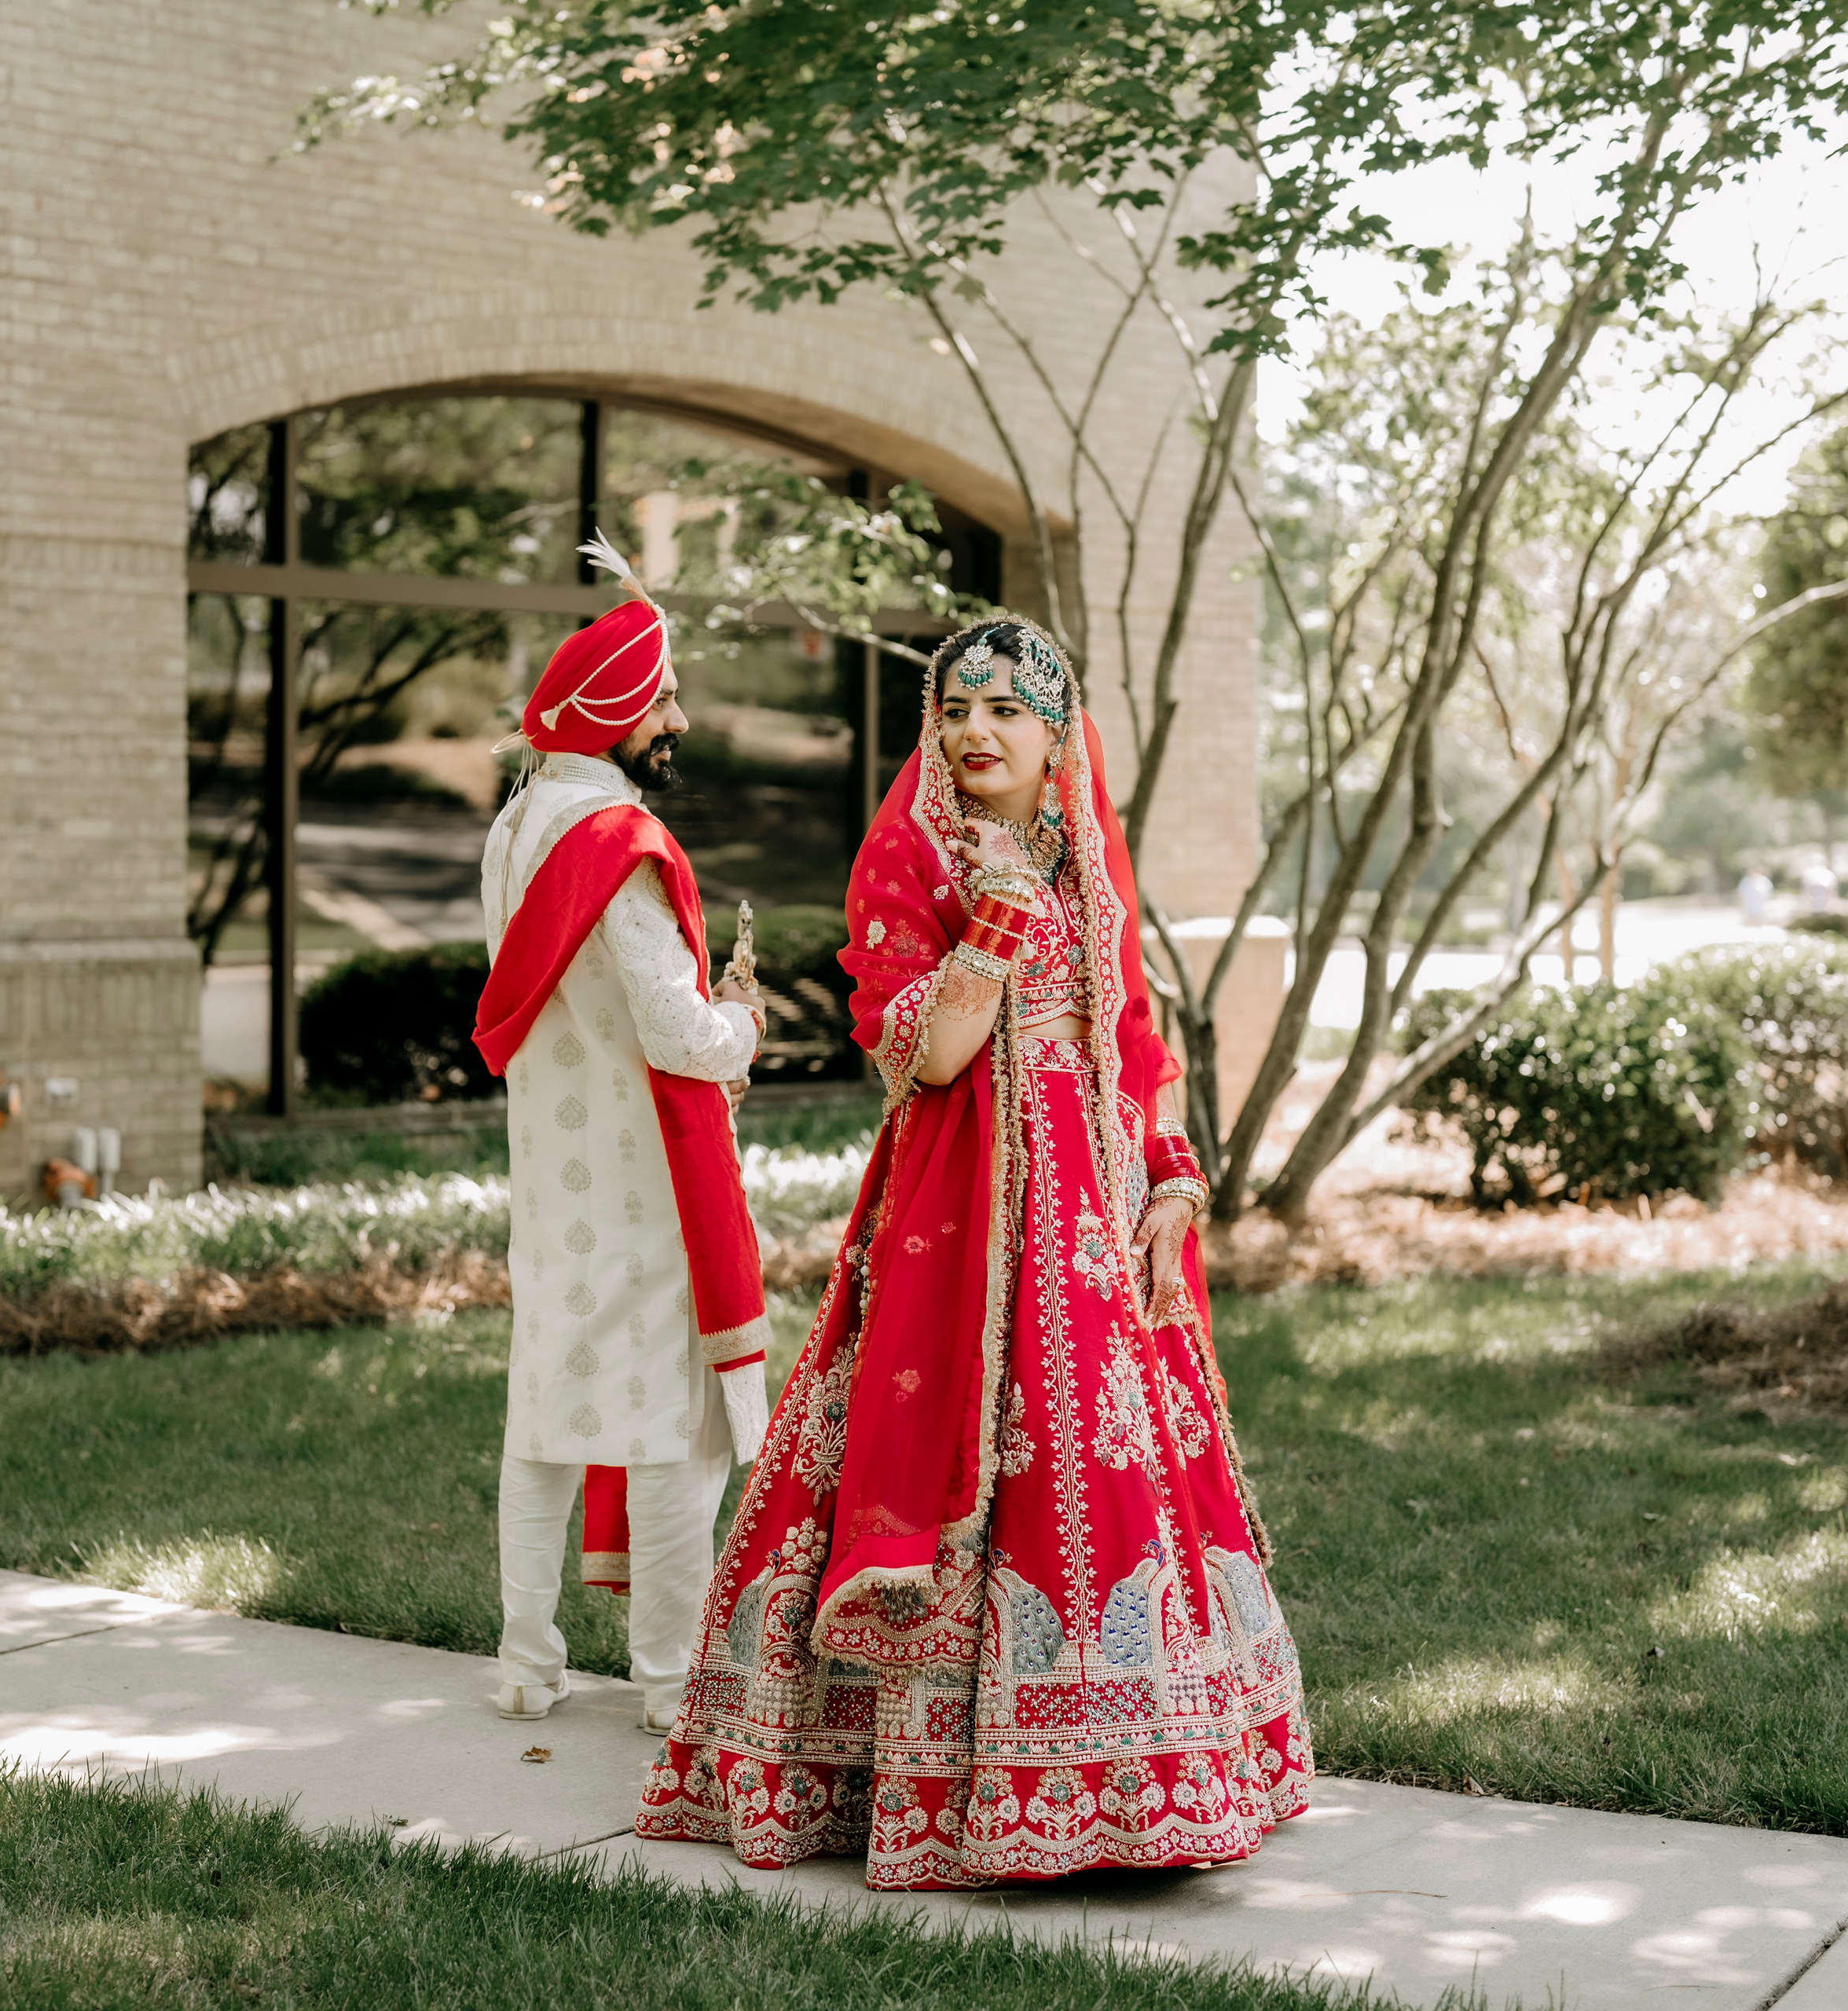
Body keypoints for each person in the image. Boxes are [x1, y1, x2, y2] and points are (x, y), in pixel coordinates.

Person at [634, 617, 1312, 1890]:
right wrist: (992, 926)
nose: (977, 730)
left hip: (1092, 1214)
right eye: (959, 708)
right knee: (951, 1445)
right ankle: (928, 1773)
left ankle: (1141, 1772)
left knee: (1103, 1454)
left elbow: (1132, 1036)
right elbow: (922, 1057)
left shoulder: (1079, 852)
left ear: (1058, 734)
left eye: (1008, 708)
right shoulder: (910, 855)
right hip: (963, 1213)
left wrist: (1169, 1175)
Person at [472, 533, 770, 1735]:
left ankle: (525, 1661)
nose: (678, 716)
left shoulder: (516, 827)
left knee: (542, 1410)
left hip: (551, 1164)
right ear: (614, 714)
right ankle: (668, 1682)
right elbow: (678, 1036)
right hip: (645, 1172)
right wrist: (741, 1022)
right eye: (665, 698)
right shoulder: (622, 846)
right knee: (667, 1430)